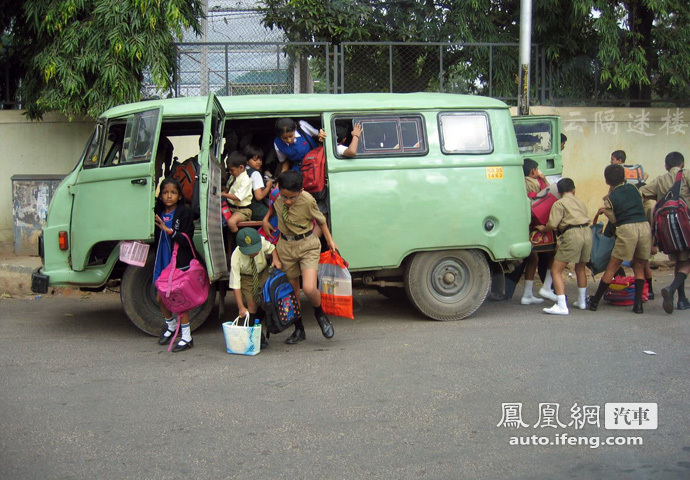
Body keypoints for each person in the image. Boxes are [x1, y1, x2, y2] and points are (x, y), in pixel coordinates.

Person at [261, 170, 338, 344]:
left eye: (292, 198)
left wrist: (330, 240)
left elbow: (321, 221)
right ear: (279, 189)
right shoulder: (277, 196)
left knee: (309, 288)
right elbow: (274, 206)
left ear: (301, 190)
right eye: (284, 196)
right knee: (292, 292)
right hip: (285, 247)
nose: (287, 201)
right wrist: (266, 219)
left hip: (307, 245)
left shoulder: (307, 200)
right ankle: (299, 329)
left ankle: (320, 315)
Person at [588, 164, 651, 314]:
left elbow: (615, 220)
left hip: (627, 228)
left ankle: (595, 301)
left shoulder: (610, 198)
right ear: (624, 177)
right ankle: (638, 305)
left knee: (613, 266)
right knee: (639, 266)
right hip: (643, 226)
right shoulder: (635, 189)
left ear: (606, 181)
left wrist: (605, 211)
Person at [640, 151, 690, 313]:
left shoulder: (660, 180)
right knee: (687, 261)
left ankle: (682, 300)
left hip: (668, 230)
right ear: (682, 164)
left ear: (666, 166)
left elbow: (643, 193)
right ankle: (672, 288)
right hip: (686, 226)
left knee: (679, 261)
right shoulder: (686, 176)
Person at [535, 178, 591, 314]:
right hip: (587, 233)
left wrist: (543, 229)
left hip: (572, 234)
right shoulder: (581, 202)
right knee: (580, 268)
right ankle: (582, 301)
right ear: (574, 190)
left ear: (559, 192)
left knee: (556, 270)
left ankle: (561, 305)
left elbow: (552, 224)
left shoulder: (559, 204)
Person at [153, 177, 196, 352]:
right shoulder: (158, 212)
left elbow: (187, 239)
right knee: (160, 297)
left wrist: (169, 230)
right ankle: (171, 326)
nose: (169, 196)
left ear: (179, 196)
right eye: (165, 193)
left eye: (173, 192)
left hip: (178, 260)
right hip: (162, 259)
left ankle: (187, 337)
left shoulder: (184, 213)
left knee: (178, 298)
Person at [229, 227, 281, 348]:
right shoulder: (235, 257)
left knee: (266, 301)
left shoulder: (262, 241)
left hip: (262, 272)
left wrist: (276, 260)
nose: (254, 253)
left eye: (255, 250)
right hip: (246, 277)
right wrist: (241, 307)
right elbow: (235, 285)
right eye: (250, 251)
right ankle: (252, 335)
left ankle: (259, 325)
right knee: (252, 304)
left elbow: (272, 248)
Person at [521, 158, 556, 305]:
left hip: (524, 225)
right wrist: (544, 178)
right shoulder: (533, 183)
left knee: (533, 258)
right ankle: (547, 287)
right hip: (536, 226)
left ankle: (528, 294)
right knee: (555, 253)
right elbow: (548, 196)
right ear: (533, 170)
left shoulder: (520, 182)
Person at [222, 151, 253, 237]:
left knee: (231, 222)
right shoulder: (233, 177)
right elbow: (228, 189)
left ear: (241, 167)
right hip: (231, 208)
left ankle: (239, 241)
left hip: (243, 210)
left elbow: (237, 197)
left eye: (232, 170)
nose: (230, 172)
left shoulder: (246, 180)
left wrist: (223, 195)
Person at [243, 144, 274, 221]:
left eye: (260, 160)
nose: (259, 162)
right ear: (247, 161)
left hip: (246, 209)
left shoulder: (243, 172)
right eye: (255, 160)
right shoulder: (255, 174)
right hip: (257, 211)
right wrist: (268, 186)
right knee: (277, 214)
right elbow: (259, 196)